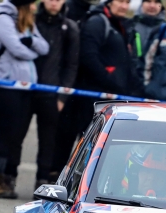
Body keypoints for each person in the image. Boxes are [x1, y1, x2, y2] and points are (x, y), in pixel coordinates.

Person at [51, 0, 141, 176]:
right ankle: (55, 178)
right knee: (77, 141)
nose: (124, 6)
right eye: (120, 1)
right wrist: (110, 79)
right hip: (89, 97)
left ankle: (80, 181)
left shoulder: (120, 25)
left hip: (108, 97)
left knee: (94, 146)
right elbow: (88, 56)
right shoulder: (97, 22)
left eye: (127, 2)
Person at [0, 0, 50, 198]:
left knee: (14, 135)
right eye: (32, 4)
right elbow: (16, 49)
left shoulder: (27, 22)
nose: (35, 7)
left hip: (25, 87)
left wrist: (31, 42)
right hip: (6, 86)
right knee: (5, 134)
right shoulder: (3, 20)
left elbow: (44, 47)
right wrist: (32, 51)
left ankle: (1, 178)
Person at [33, 0, 79, 186]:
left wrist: (62, 96)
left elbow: (71, 64)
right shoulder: (32, 21)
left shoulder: (69, 27)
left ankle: (42, 180)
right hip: (27, 89)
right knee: (15, 136)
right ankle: (8, 175)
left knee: (48, 140)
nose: (54, 3)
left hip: (52, 93)